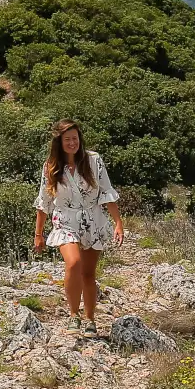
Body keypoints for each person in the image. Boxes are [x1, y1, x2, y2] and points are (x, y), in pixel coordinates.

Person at [33, 120, 125, 334]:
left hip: (92, 219)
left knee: (88, 274)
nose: (72, 142)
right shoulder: (51, 166)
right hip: (65, 219)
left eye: (75, 138)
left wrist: (118, 223)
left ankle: (90, 320)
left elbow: (106, 192)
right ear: (59, 142)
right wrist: (38, 234)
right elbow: (44, 201)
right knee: (73, 263)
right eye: (67, 139)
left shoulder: (94, 161)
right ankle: (74, 315)